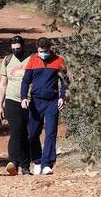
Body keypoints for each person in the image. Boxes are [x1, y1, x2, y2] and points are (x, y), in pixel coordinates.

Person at [21, 37, 68, 175]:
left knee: (51, 132)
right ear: (37, 50)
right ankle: (37, 161)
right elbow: (25, 81)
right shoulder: (32, 60)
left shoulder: (59, 60)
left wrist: (62, 97)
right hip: (36, 102)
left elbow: (65, 81)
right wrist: (24, 97)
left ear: (49, 49)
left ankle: (47, 163)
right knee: (33, 133)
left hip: (52, 101)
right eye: (40, 51)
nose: (43, 54)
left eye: (45, 51)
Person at [0, 34, 31, 176]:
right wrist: (0, 105)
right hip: (12, 100)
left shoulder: (31, 59)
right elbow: (3, 83)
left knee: (26, 134)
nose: (16, 51)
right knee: (16, 131)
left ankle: (25, 165)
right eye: (13, 49)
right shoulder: (7, 60)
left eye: (18, 48)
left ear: (23, 47)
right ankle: (13, 162)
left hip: (29, 101)